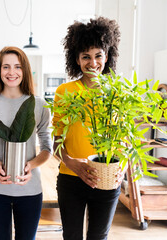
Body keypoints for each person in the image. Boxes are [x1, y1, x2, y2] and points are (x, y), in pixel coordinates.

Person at [0, 46, 52, 240]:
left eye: (17, 67)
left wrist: (32, 165)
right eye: (6, 67)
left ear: (25, 71)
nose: (11, 72)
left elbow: (47, 147)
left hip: (30, 190)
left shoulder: (38, 105)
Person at [52, 17, 122, 240]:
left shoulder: (118, 93)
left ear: (107, 56)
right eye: (86, 57)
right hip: (71, 179)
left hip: (107, 178)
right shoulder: (65, 91)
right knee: (71, 237)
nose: (93, 63)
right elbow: (56, 142)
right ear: (77, 60)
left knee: (99, 237)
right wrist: (72, 163)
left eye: (98, 55)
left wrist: (123, 168)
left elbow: (125, 140)